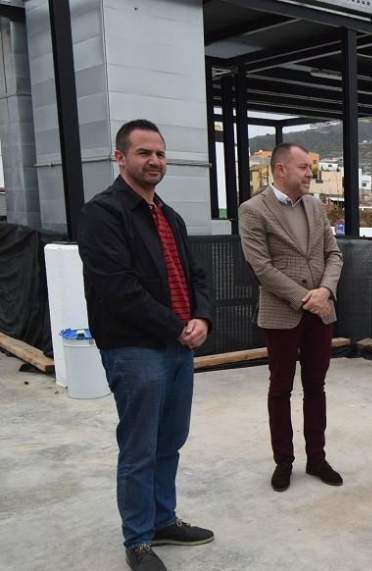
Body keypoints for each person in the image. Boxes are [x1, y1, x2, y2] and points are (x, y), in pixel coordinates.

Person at [78, 119, 214, 571]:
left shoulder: (168, 215)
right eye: (143, 153)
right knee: (139, 447)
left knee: (170, 441)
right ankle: (137, 539)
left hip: (178, 346)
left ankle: (162, 519)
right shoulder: (103, 214)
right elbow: (119, 288)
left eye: (159, 153)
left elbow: (196, 275)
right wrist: (177, 326)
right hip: (135, 349)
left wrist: (203, 319)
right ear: (120, 158)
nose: (154, 161)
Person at [240, 143, 344, 492]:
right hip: (282, 315)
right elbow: (261, 267)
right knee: (280, 389)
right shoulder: (253, 210)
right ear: (280, 170)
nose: (308, 174)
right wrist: (304, 298)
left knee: (316, 387)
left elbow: (334, 254)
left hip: (321, 312)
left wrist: (325, 292)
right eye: (302, 167)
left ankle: (317, 458)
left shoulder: (316, 206)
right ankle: (284, 461)